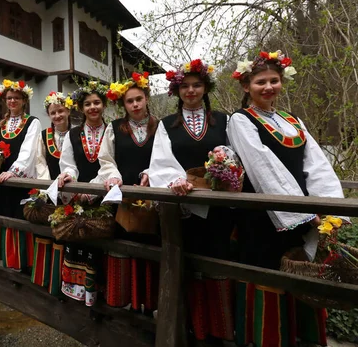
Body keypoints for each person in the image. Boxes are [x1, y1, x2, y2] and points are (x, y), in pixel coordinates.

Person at [228, 51, 346, 347]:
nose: (268, 87)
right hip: (265, 216)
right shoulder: (240, 120)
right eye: (260, 82)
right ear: (246, 87)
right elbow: (262, 166)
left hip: (303, 212)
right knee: (268, 274)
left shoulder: (293, 120)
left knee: (301, 274)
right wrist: (303, 212)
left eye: (274, 81)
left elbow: (317, 165)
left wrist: (331, 209)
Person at [147, 59, 235, 341]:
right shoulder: (166, 125)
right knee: (186, 263)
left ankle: (220, 329)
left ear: (206, 88)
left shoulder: (224, 120)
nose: (191, 90)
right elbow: (160, 159)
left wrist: (225, 164)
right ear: (176, 90)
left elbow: (235, 154)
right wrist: (176, 180)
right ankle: (189, 326)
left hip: (219, 207)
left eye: (197, 85)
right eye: (185, 86)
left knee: (219, 261)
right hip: (182, 206)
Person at [96, 71, 160, 314]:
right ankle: (126, 300)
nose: (135, 104)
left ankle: (151, 303)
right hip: (122, 194)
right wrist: (113, 175)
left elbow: (164, 158)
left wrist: (151, 172)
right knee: (124, 242)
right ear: (123, 104)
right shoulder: (114, 128)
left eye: (139, 99)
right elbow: (106, 157)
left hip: (152, 195)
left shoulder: (159, 126)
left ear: (146, 99)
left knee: (152, 243)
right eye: (129, 101)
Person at [56, 80, 108, 306]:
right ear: (81, 108)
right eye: (88, 104)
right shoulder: (73, 134)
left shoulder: (112, 130)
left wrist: (94, 190)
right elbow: (69, 163)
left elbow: (111, 164)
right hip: (79, 196)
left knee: (104, 242)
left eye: (97, 102)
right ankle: (79, 293)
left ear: (104, 105)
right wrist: (69, 177)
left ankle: (105, 295)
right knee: (79, 241)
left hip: (106, 195)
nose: (93, 107)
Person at [0, 79, 40, 271]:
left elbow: (28, 152)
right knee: (2, 213)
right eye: (9, 98)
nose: (12, 101)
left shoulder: (33, 122)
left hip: (20, 179)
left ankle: (23, 262)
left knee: (19, 217)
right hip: (1, 177)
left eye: (16, 98)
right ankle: (4, 259)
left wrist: (13, 172)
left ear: (24, 100)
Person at [31, 91, 73, 296]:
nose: (57, 116)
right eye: (53, 112)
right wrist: (48, 187)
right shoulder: (45, 135)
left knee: (70, 233)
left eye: (61, 111)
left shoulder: (77, 132)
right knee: (51, 234)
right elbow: (40, 162)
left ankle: (69, 284)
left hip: (74, 190)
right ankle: (49, 280)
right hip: (51, 190)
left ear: (68, 111)